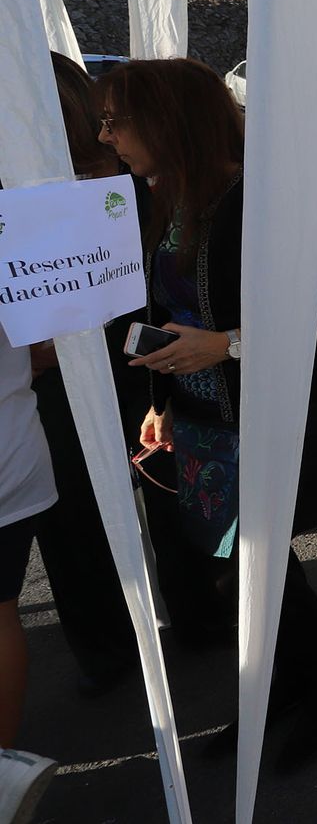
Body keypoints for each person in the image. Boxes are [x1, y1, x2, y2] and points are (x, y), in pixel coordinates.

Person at [93, 58, 317, 773]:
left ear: (166, 120)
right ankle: (291, 681)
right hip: (201, 418)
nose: (105, 135)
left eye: (115, 120)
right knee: (232, 564)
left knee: (261, 560)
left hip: (267, 411)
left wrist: (226, 344)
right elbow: (171, 311)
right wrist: (161, 403)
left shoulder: (262, 197)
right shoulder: (170, 194)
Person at [27, 53, 141, 699]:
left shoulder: (58, 83)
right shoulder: (60, 80)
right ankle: (109, 641)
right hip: (57, 366)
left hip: (96, 353)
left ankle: (113, 640)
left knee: (92, 503)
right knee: (75, 513)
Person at [0, 325, 58, 824]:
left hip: (12, 456)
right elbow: (47, 350)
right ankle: (2, 772)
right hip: (14, 457)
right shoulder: (12, 247)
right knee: (0, 616)